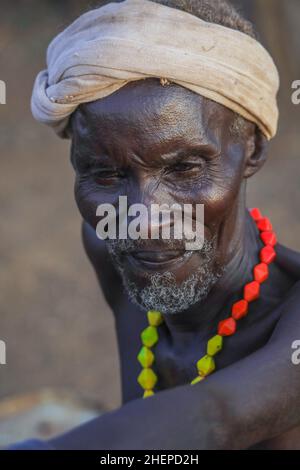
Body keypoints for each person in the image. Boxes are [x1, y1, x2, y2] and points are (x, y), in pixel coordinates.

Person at [8, 0, 300, 450]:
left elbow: (218, 415)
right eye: (105, 174)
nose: (143, 221)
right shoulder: (107, 246)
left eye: (184, 169)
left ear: (253, 151)